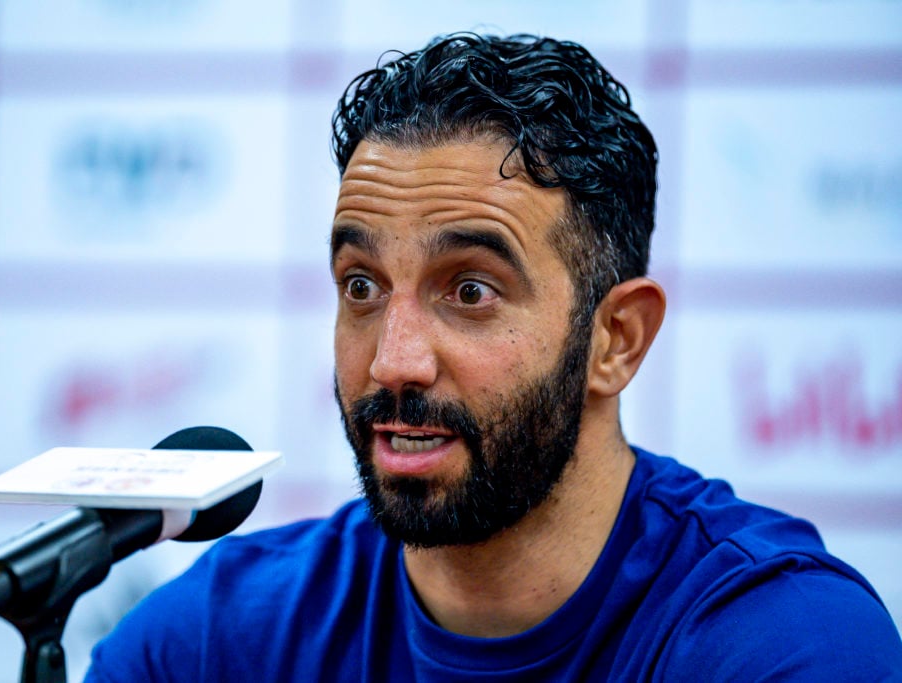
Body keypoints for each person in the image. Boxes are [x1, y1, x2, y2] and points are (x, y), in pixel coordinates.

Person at [85, 33, 902, 681]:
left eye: (470, 291)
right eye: (362, 285)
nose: (392, 363)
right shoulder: (207, 644)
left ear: (616, 340)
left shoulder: (779, 645)